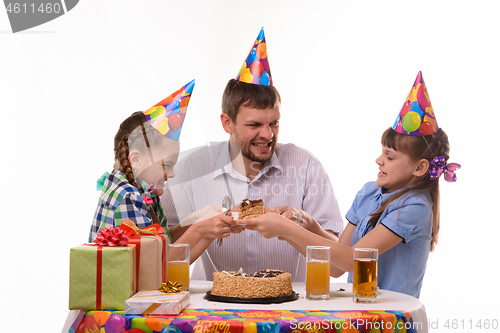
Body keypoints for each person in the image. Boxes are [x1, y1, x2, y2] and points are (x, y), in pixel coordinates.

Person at [240, 71, 460, 298]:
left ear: (420, 168)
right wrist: (304, 225)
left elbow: (352, 260)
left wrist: (286, 229)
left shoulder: (415, 208)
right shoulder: (369, 193)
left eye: (390, 157)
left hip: (391, 316)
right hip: (359, 311)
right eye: (381, 153)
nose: (379, 160)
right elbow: (336, 267)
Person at [161, 29, 343, 281]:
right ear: (227, 123)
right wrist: (201, 224)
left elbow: (337, 269)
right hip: (211, 309)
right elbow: (160, 249)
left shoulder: (307, 166)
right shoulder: (191, 167)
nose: (267, 134)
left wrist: (304, 223)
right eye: (254, 125)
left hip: (288, 310)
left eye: (274, 123)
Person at [89, 81, 241, 263]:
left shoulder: (140, 190)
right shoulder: (127, 198)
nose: (172, 174)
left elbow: (162, 243)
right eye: (166, 165)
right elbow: (158, 266)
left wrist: (199, 217)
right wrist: (203, 229)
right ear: (136, 160)